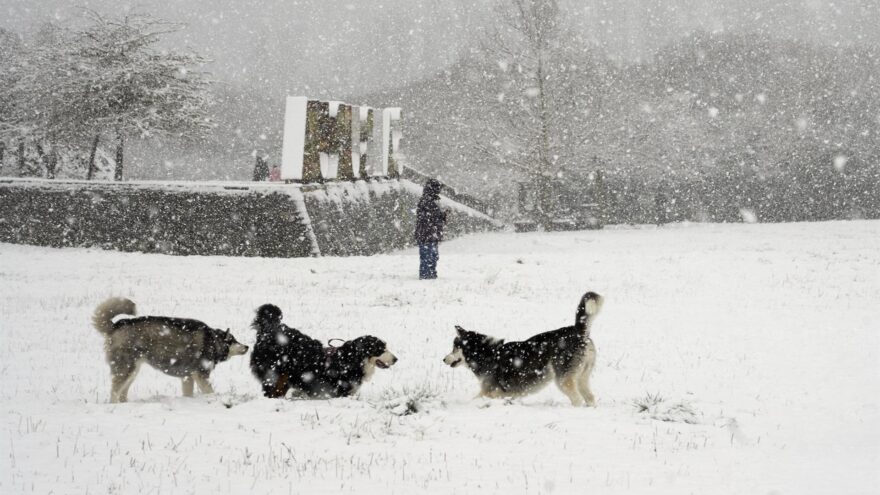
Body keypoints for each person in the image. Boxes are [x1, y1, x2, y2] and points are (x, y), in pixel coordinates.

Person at [414, 179, 447, 279]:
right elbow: (427, 217)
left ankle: (430, 273)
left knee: (432, 255)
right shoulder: (427, 201)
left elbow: (429, 217)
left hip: (429, 233)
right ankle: (426, 274)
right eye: (438, 189)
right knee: (428, 255)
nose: (439, 191)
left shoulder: (430, 200)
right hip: (427, 233)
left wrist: (441, 215)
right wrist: (440, 216)